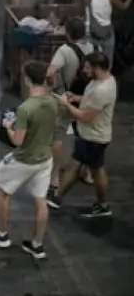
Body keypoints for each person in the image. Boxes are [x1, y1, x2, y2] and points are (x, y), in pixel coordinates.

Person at [0, 61, 56, 260]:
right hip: (45, 159)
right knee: (41, 201)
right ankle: (37, 245)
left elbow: (17, 141)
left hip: (24, 160)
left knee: (3, 192)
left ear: (28, 80)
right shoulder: (52, 101)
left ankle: (1, 235)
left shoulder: (26, 108)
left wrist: (7, 126)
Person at [48, 51, 117, 218]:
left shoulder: (103, 90)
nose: (85, 70)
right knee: (76, 165)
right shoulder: (100, 80)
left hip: (95, 138)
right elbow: (89, 100)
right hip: (87, 135)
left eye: (88, 67)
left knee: (96, 171)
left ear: (97, 68)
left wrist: (66, 104)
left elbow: (85, 116)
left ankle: (102, 205)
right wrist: (76, 98)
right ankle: (57, 198)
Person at [81, 0, 132, 68]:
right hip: (108, 34)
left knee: (91, 65)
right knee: (107, 65)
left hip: (92, 34)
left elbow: (82, 15)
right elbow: (124, 7)